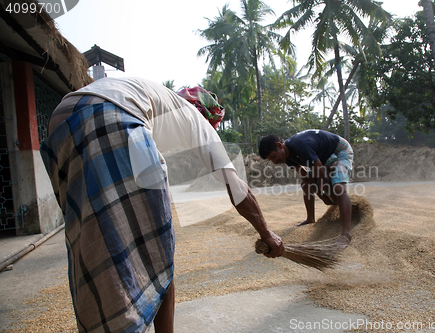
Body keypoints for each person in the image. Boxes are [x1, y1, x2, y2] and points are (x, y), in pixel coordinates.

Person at [41, 77, 284, 333]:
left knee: (91, 240)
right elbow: (236, 187)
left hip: (60, 121)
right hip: (113, 116)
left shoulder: (156, 103)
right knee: (160, 249)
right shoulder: (196, 119)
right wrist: (267, 233)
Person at [259, 129, 353, 248]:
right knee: (305, 185)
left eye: (273, 157)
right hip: (323, 158)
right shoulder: (287, 156)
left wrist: (326, 196)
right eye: (270, 160)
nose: (274, 162)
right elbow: (306, 177)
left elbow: (322, 177)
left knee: (338, 188)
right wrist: (322, 195)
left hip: (339, 150)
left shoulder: (302, 146)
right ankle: (310, 218)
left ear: (279, 146)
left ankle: (346, 234)